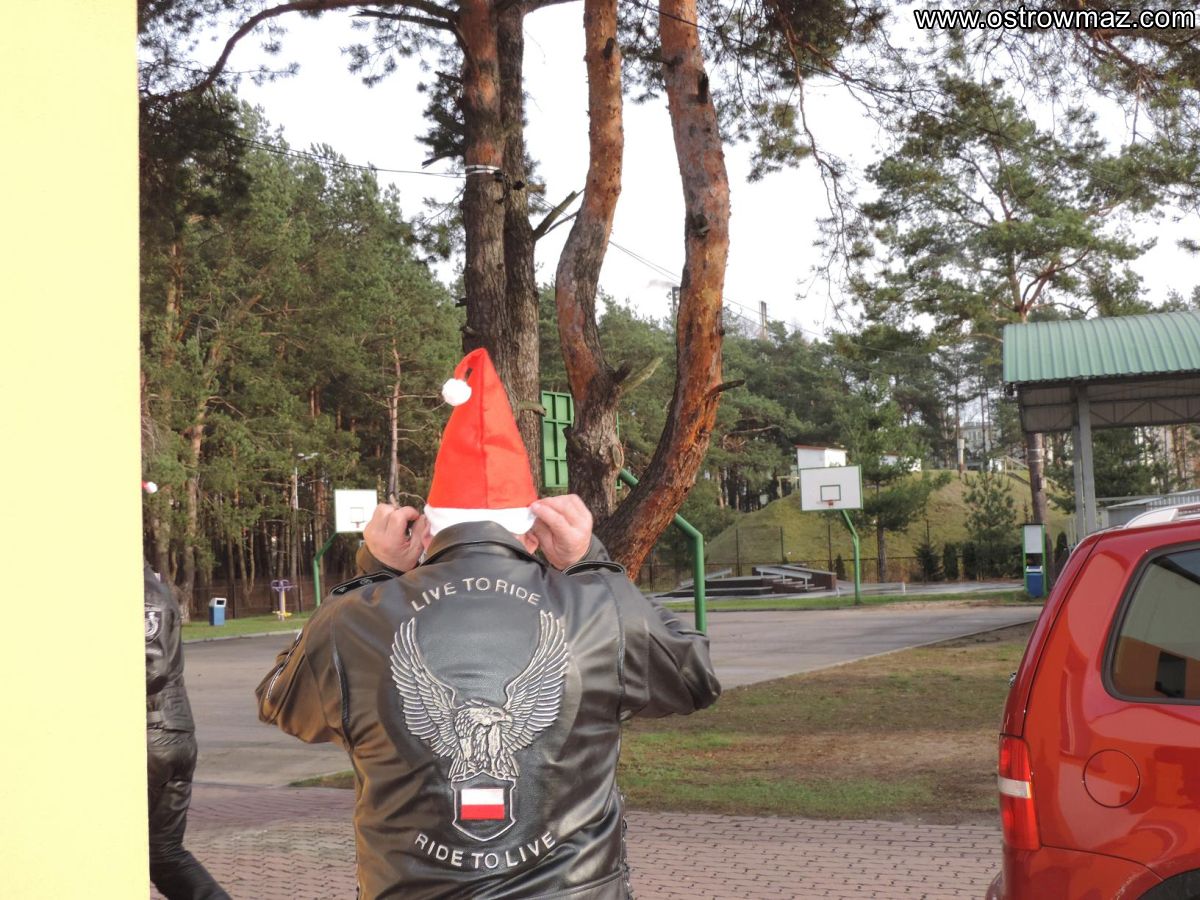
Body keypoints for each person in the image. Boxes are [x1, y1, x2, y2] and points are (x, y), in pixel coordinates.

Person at [257, 348, 720, 899]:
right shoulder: (598, 608)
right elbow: (693, 677)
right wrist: (591, 564)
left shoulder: (354, 617)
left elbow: (280, 700)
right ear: (533, 533)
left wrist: (373, 572)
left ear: (425, 532)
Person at [144, 563, 230, 899]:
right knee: (164, 855)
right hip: (167, 733)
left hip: (154, 734)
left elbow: (152, 668)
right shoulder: (149, 589)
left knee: (109, 846)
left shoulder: (143, 593)